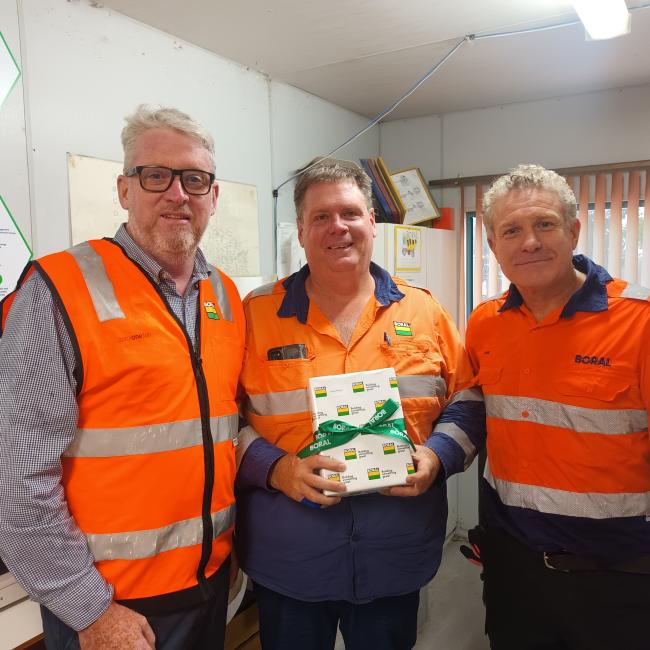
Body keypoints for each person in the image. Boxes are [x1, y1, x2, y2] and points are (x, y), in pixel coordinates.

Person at [0, 105, 245, 649]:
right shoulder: (57, 290)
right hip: (112, 607)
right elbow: (19, 480)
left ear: (213, 195)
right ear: (123, 189)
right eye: (156, 176)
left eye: (194, 179)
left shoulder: (227, 296)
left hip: (208, 588)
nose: (177, 194)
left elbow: (223, 435)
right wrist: (90, 611)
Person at [235, 157, 485, 650]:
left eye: (350, 213)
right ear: (301, 231)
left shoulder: (424, 309)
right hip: (291, 558)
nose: (338, 228)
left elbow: (469, 398)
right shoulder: (254, 317)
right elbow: (220, 419)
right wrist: (276, 468)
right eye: (321, 217)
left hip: (394, 552)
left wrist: (436, 457)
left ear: (372, 221)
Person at [466, 163, 650, 650]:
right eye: (512, 230)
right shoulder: (484, 324)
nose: (529, 242)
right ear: (492, 246)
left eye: (544, 224)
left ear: (573, 231)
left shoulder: (639, 322)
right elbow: (469, 406)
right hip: (513, 575)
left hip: (617, 579)